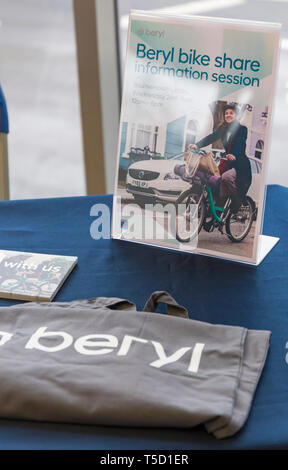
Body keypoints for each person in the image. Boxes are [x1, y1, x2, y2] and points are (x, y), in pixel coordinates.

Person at [189, 104, 252, 209]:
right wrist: (197, 145)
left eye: (231, 113)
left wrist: (233, 154)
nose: (228, 115)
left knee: (226, 177)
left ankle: (237, 199)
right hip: (228, 163)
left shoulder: (242, 129)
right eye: (226, 113)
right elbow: (210, 138)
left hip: (240, 165)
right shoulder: (223, 129)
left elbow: (240, 143)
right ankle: (215, 213)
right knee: (215, 182)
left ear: (236, 116)